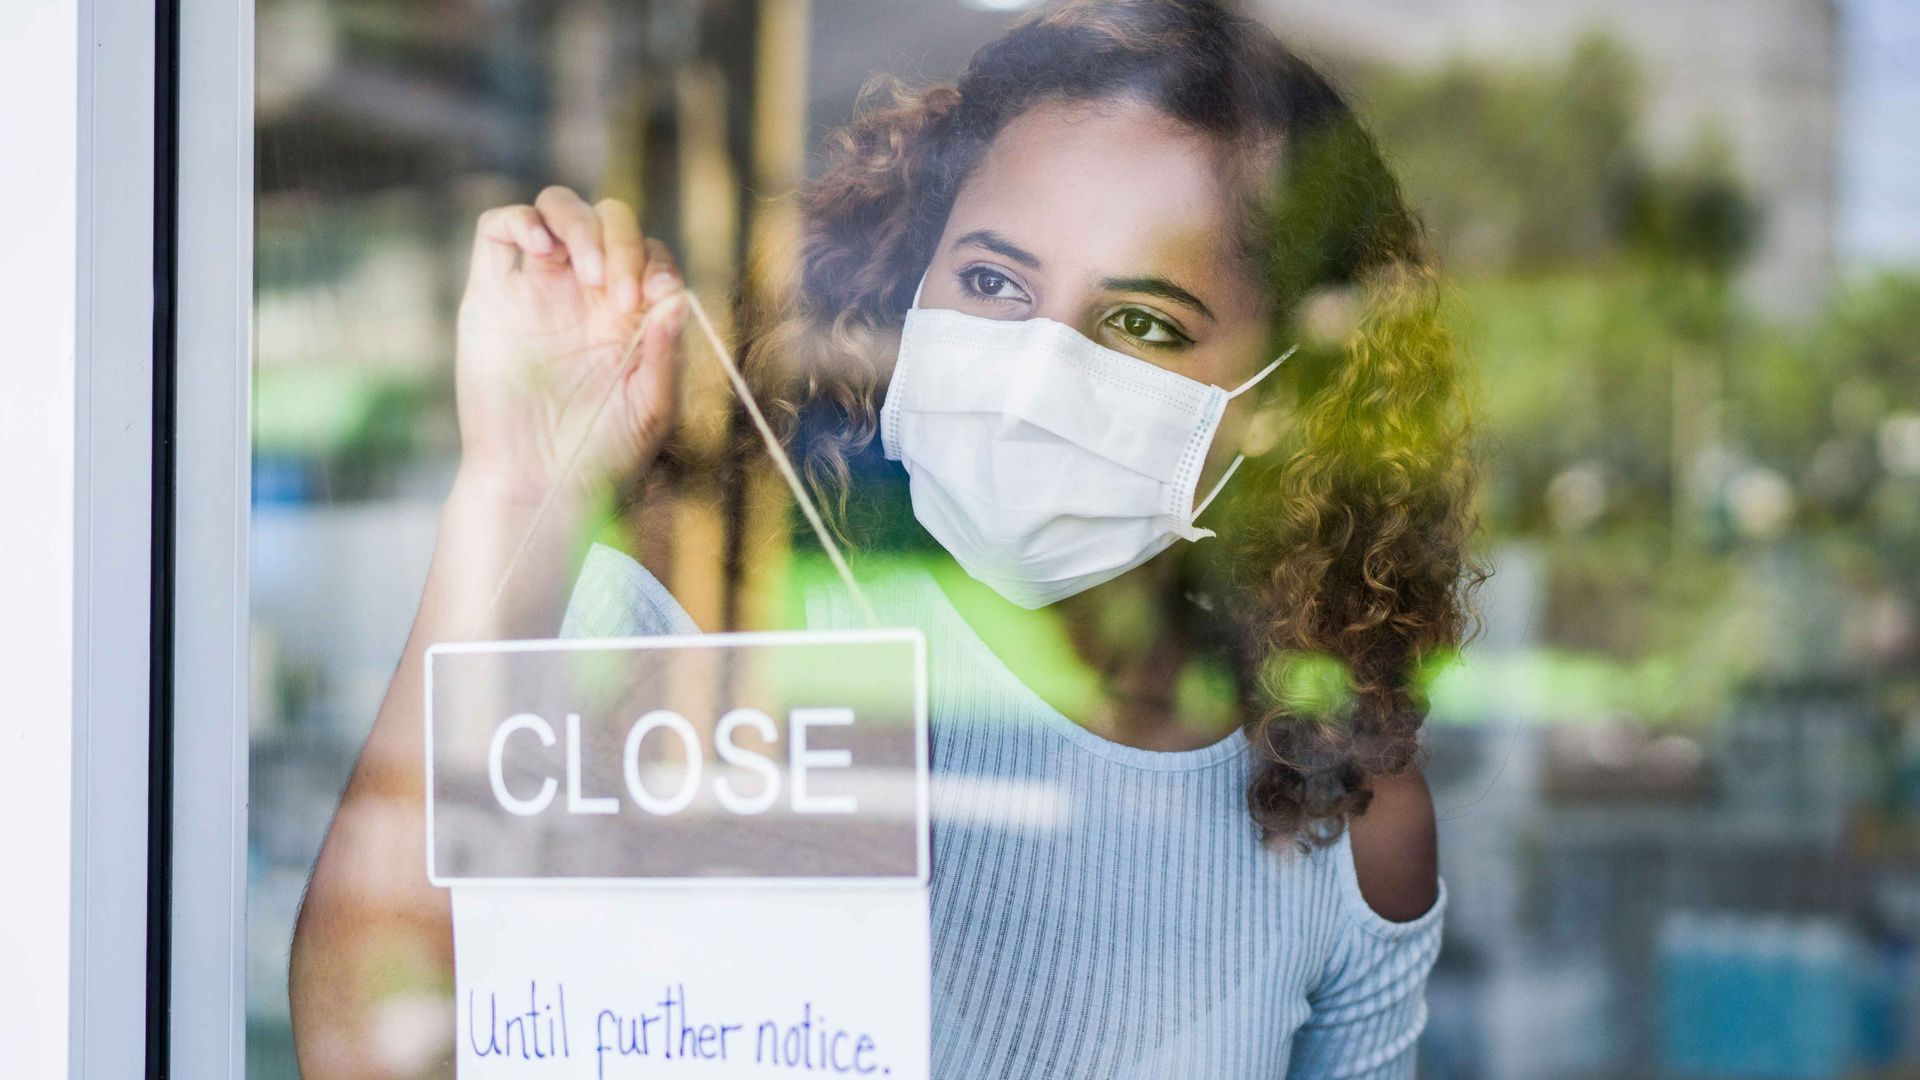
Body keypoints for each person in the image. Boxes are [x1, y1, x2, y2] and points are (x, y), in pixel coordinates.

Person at [289, 0, 1480, 1076]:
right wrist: (516, 484)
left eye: (1140, 322)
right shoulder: (721, 630)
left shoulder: (1341, 811)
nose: (1029, 372)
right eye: (996, 284)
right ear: (910, 284)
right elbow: (374, 1041)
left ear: (1290, 399)